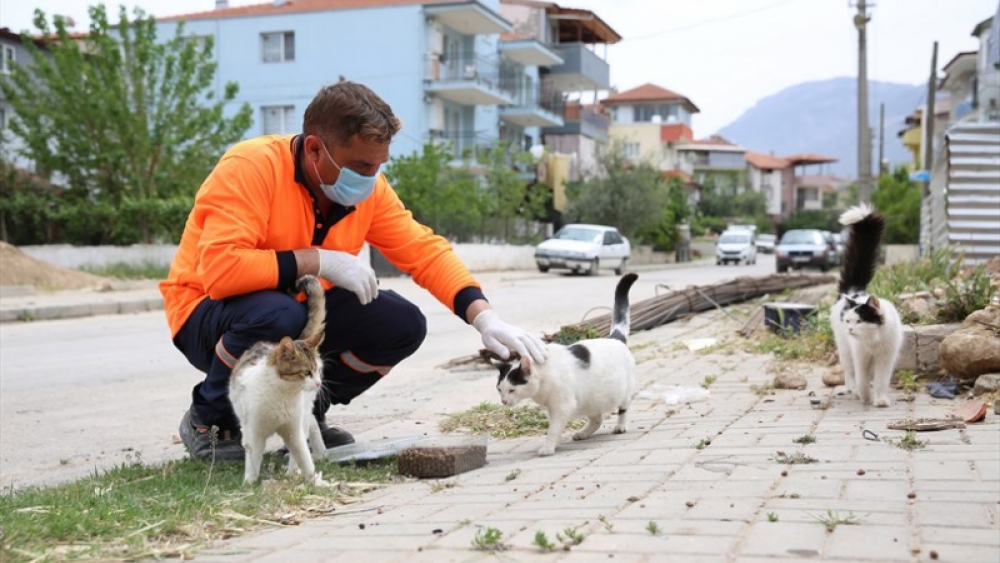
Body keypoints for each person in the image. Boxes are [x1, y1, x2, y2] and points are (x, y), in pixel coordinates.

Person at [160, 81, 546, 461]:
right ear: (314, 148)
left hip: (297, 309)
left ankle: (308, 411)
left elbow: (424, 251)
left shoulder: (370, 190)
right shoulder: (251, 167)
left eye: (379, 166)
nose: (371, 177)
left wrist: (484, 317)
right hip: (207, 313)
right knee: (281, 314)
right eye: (361, 165)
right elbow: (222, 271)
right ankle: (210, 420)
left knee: (401, 322)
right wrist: (319, 260)